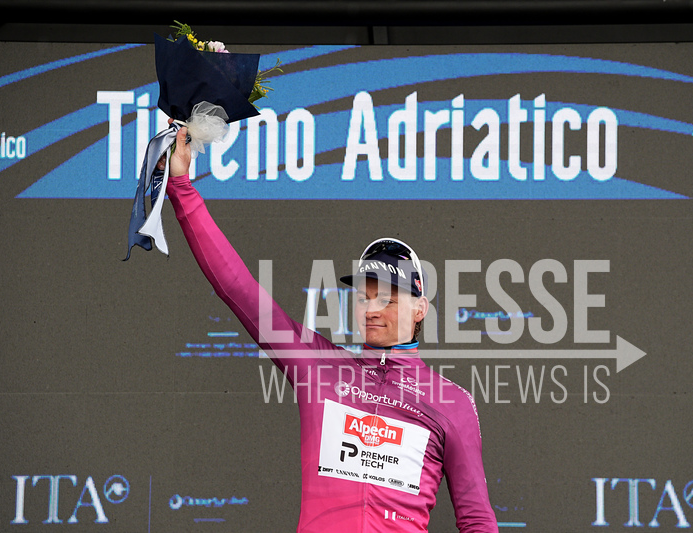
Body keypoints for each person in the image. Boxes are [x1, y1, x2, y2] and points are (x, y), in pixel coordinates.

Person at [161, 124, 497, 532]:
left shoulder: (452, 403)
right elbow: (238, 288)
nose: (371, 310)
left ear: (420, 309)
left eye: (388, 299)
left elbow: (478, 519)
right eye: (363, 297)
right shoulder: (318, 367)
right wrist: (181, 186)